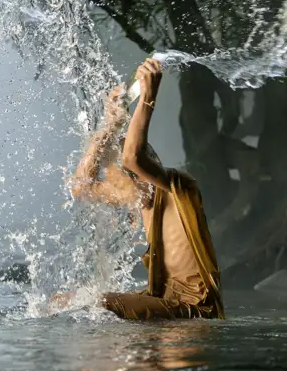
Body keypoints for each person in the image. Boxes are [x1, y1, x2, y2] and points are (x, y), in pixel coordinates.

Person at [66, 58, 224, 320]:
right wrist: (110, 125)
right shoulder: (139, 197)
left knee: (98, 301)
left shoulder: (180, 188)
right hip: (164, 301)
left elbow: (132, 158)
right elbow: (81, 187)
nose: (113, 184)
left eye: (116, 176)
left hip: (196, 309)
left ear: (141, 176)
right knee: (69, 300)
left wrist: (147, 98)